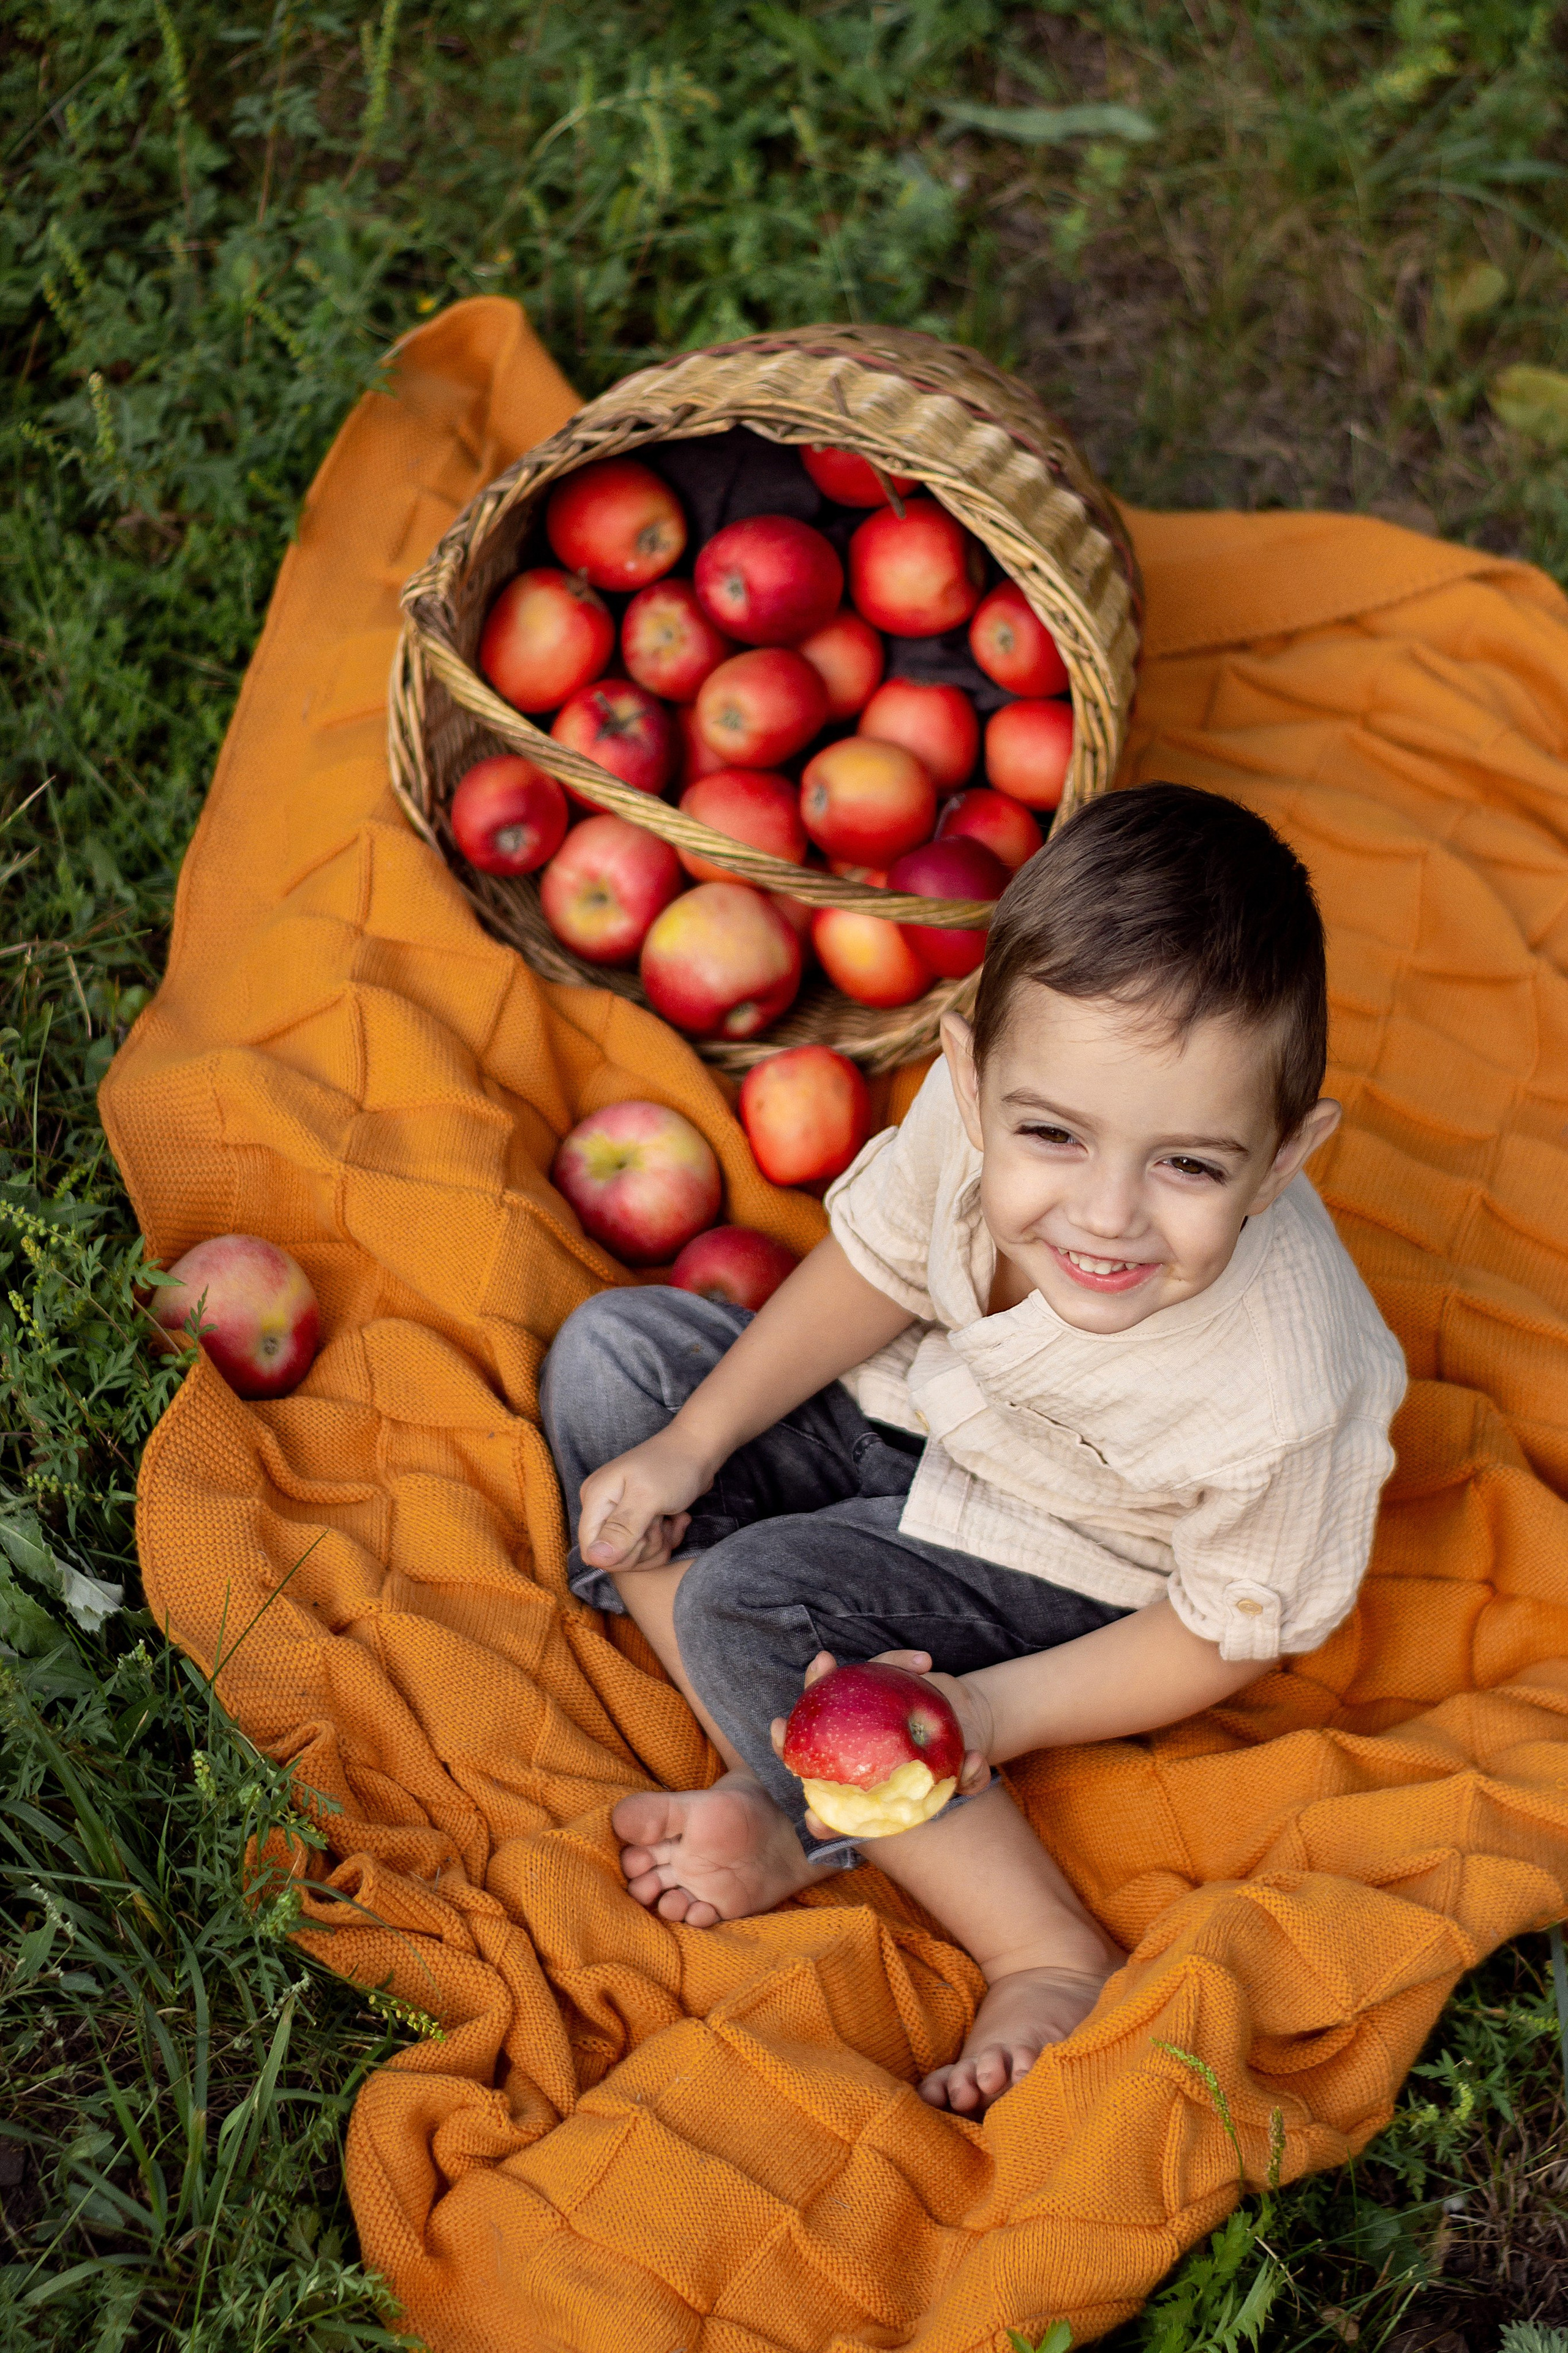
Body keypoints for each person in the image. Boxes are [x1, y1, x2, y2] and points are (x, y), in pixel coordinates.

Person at [540, 784, 1407, 2115]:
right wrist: (694, 1440)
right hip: (919, 1417)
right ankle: (800, 1777)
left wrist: (987, 1711)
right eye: (1050, 1136)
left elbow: (1226, 1630)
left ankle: (1038, 1943)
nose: (1103, 1215)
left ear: (1285, 1158)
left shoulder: (1284, 1380)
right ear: (966, 1074)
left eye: (1187, 1166)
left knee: (740, 1598)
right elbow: (876, 1266)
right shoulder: (981, 1108)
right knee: (617, 1364)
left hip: (1065, 1560)